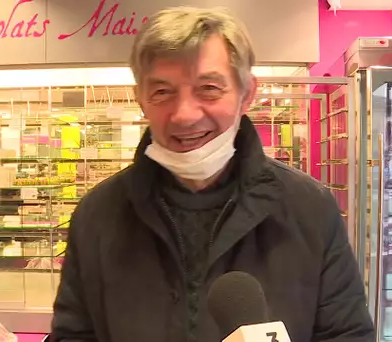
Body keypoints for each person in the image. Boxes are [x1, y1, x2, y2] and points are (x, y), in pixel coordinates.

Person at [51, 6, 374, 342]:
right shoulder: (97, 216)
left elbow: (346, 334)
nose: (185, 115)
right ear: (141, 100)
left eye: (208, 88)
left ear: (246, 94)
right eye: (162, 91)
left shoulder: (310, 209)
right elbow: (74, 334)